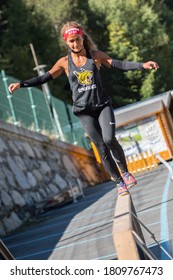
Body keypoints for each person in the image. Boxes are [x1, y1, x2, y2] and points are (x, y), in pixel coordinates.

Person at [8, 21, 159, 196]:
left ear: (82, 38)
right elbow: (44, 78)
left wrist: (142, 65)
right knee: (101, 147)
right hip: (84, 112)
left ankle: (125, 173)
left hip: (102, 106)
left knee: (109, 139)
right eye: (71, 41)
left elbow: (118, 64)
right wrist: (21, 84)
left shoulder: (95, 56)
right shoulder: (64, 63)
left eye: (78, 39)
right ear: (66, 42)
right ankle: (119, 183)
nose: (75, 44)